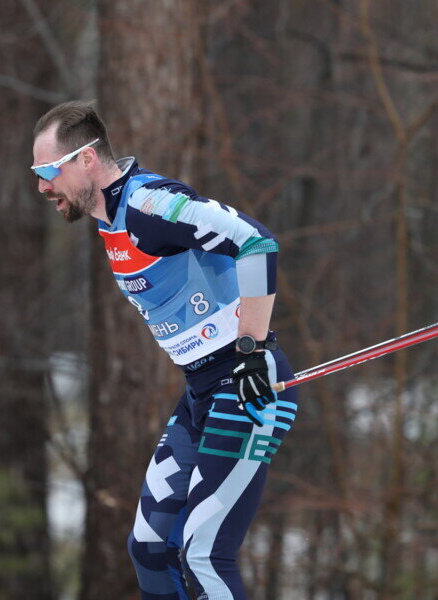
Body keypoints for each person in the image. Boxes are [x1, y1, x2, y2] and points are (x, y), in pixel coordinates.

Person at [31, 101, 299, 600]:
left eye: (49, 172)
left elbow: (257, 242)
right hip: (201, 393)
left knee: (204, 555)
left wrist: (250, 348)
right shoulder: (109, 217)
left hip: (249, 388)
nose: (43, 187)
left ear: (86, 160)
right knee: (150, 548)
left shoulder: (148, 206)